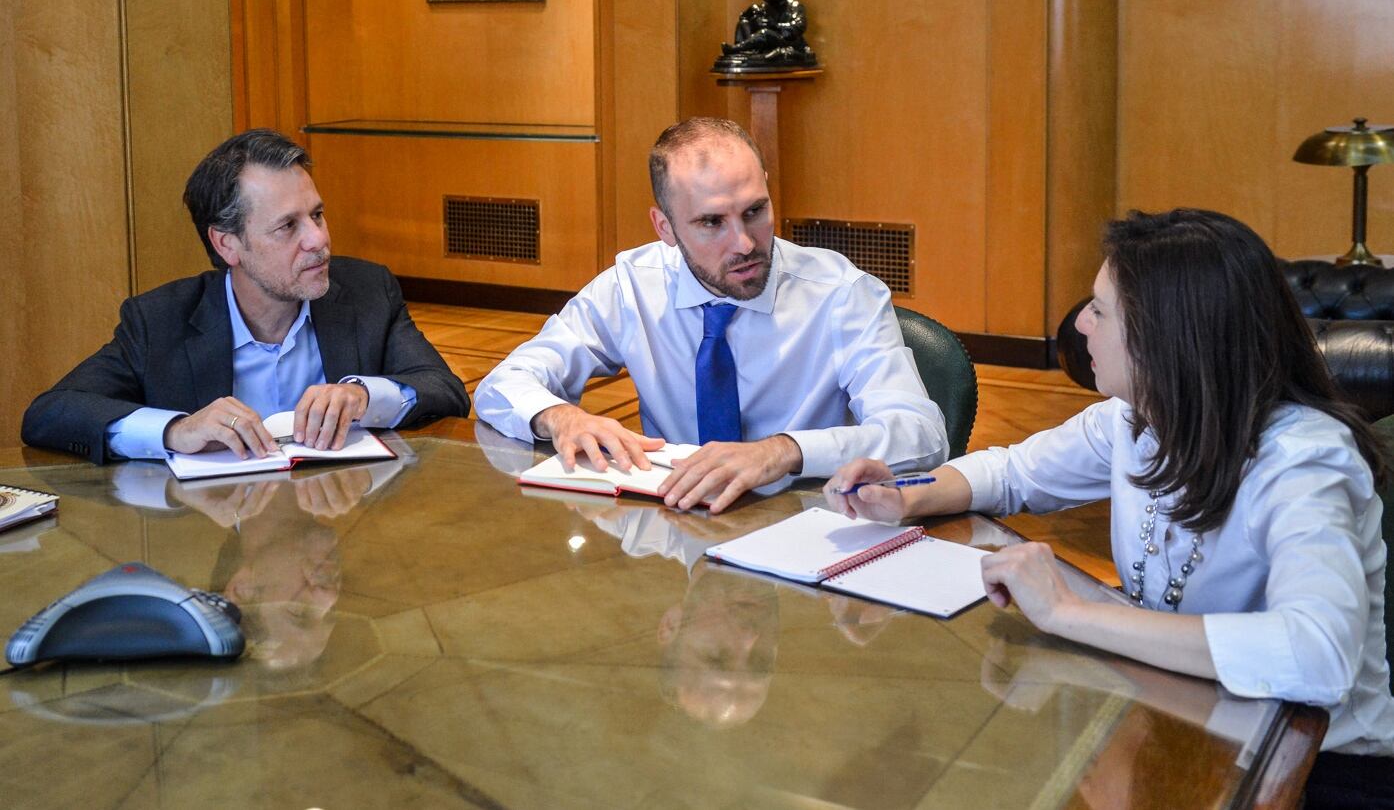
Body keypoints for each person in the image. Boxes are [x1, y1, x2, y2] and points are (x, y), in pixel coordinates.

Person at [826, 208, 1394, 803]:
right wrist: (904, 495)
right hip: (1188, 715)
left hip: (1318, 768)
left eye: (1099, 308)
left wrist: (1070, 611)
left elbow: (1317, 657)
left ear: (1167, 337)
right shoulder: (1137, 421)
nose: (1079, 323)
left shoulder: (1304, 461)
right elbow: (1012, 471)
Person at [474, 116, 946, 513]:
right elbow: (503, 383)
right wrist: (561, 417)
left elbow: (921, 434)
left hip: (802, 522)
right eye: (711, 222)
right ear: (665, 227)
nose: (744, 243)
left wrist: (784, 451)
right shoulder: (632, 286)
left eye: (755, 211)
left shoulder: (842, 296)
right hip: (673, 526)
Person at [22, 129, 469, 465]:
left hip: (342, 535)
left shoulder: (367, 292)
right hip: (218, 544)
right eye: (287, 226)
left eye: (317, 215)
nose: (318, 239)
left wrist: (364, 397)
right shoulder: (161, 320)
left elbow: (446, 391)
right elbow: (49, 413)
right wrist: (175, 429)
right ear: (227, 245)